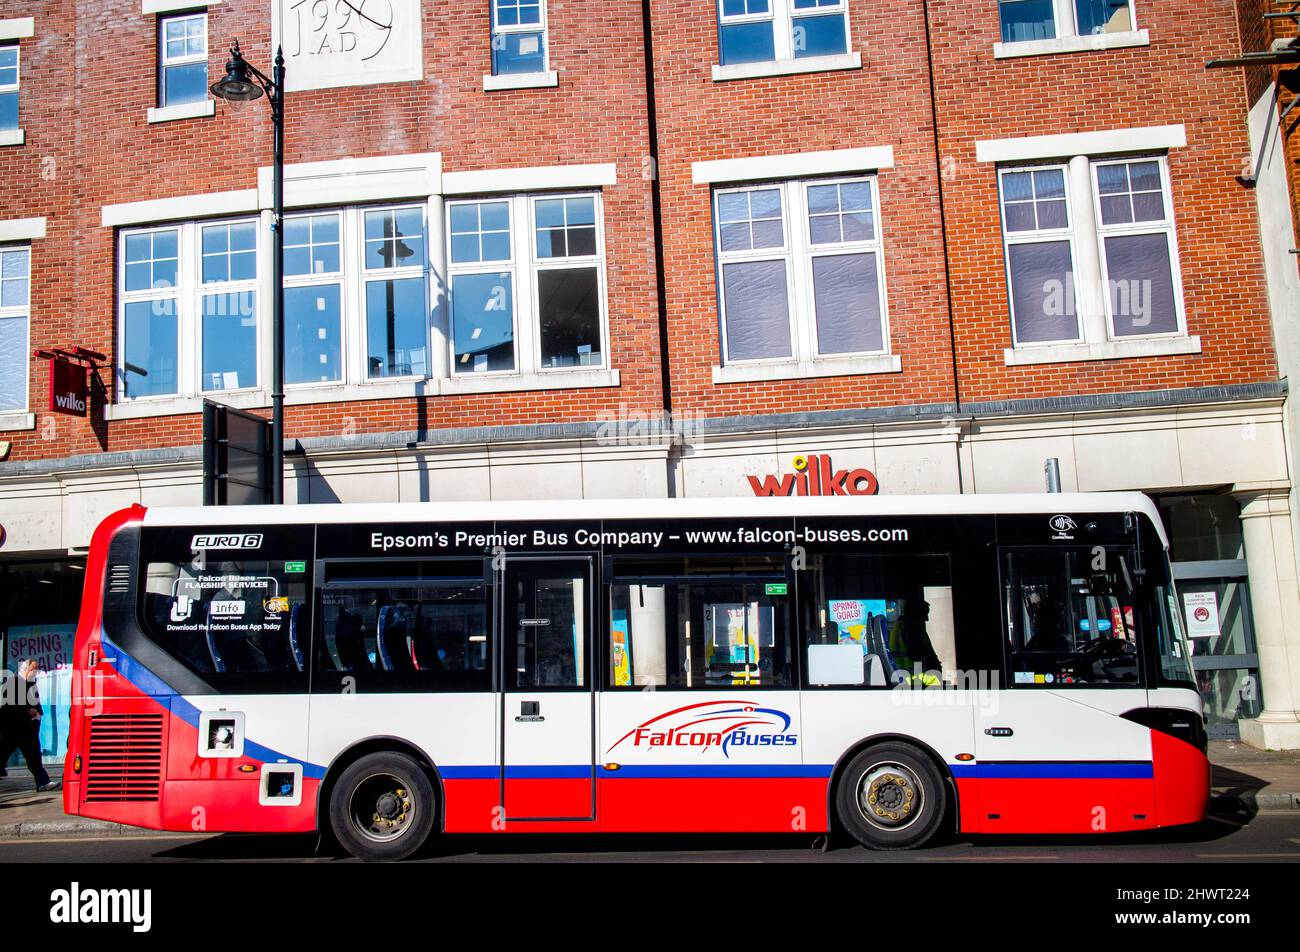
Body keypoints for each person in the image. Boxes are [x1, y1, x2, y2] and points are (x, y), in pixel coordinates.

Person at [0, 659, 59, 792]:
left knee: (34, 758)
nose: (36, 673)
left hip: (27, 730)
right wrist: (28, 712)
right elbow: (9, 709)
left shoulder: (32, 685)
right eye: (34, 670)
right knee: (2, 755)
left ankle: (43, 782)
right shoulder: (12, 684)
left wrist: (36, 714)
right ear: (25, 669)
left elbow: (38, 708)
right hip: (13, 729)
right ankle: (43, 782)